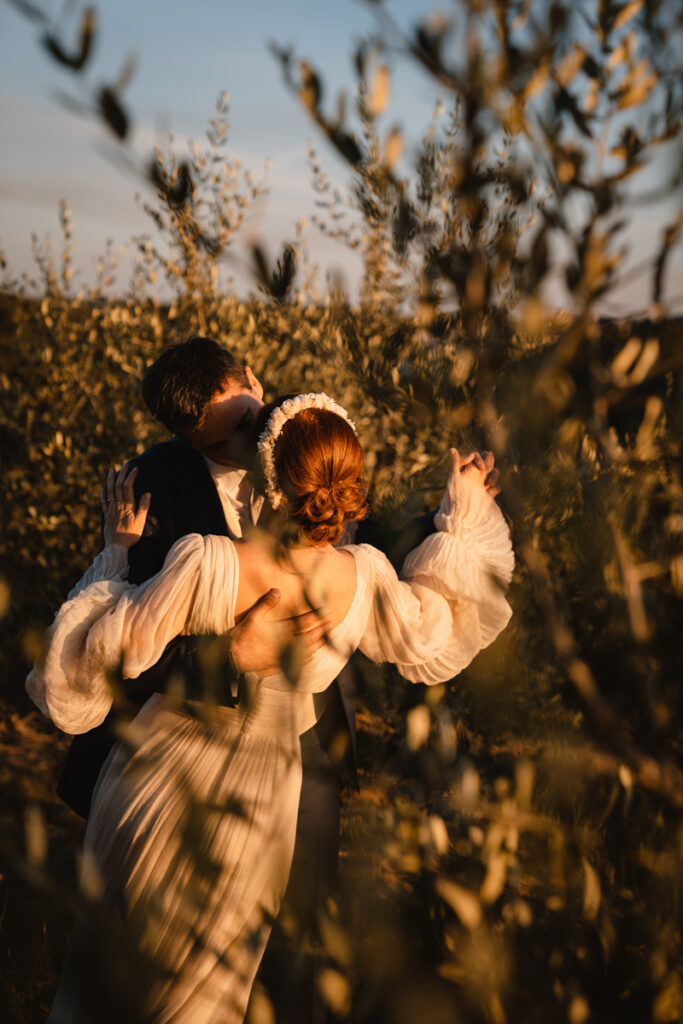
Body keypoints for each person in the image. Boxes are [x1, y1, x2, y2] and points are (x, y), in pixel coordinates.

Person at [27, 391, 514, 1023]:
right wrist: (464, 507)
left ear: (266, 478)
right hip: (265, 801)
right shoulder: (363, 577)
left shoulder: (206, 560)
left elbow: (91, 659)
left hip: (157, 776)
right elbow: (438, 622)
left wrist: (116, 552)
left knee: (109, 981)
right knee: (208, 994)